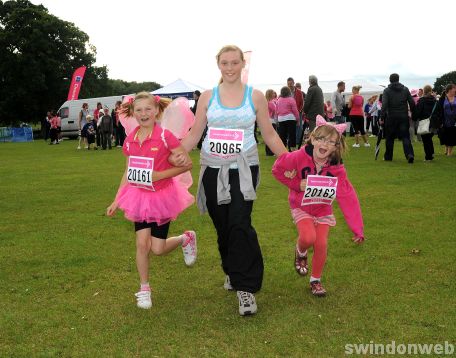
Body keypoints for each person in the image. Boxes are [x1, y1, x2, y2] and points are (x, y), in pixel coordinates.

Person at [169, 45, 288, 316]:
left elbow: (269, 134)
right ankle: (231, 270)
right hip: (212, 168)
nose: (230, 67)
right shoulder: (208, 97)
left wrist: (289, 159)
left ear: (242, 64)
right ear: (218, 65)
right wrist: (170, 154)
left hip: (244, 169)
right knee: (223, 226)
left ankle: (246, 288)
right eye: (225, 63)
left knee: (239, 223)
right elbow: (194, 133)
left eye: (235, 62)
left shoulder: (255, 97)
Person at [106, 92, 197, 310]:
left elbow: (186, 165)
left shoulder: (166, 136)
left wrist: (159, 175)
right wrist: (117, 199)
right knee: (141, 244)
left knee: (157, 249)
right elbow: (129, 171)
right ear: (133, 113)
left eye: (148, 109)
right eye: (139, 110)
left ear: (156, 111)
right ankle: (144, 288)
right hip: (138, 197)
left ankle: (186, 238)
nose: (143, 114)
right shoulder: (130, 140)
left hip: (162, 198)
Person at [272, 115, 365, 296]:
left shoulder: (337, 168)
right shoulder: (298, 156)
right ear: (313, 139)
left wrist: (357, 228)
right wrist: (296, 184)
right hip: (301, 206)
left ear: (336, 147)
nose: (325, 144)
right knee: (308, 238)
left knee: (321, 243)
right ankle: (300, 252)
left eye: (331, 142)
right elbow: (277, 169)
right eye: (321, 139)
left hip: (323, 209)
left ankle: (316, 280)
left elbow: (347, 196)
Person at [381, 73, 416, 163]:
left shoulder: (387, 91)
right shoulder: (405, 89)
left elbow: (384, 105)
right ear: (398, 79)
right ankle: (409, 154)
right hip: (403, 116)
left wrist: (382, 117)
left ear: (390, 80)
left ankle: (388, 156)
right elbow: (411, 102)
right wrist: (413, 112)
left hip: (391, 117)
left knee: (389, 138)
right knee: (405, 137)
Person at [415, 85, 439, 161]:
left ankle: (428, 157)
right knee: (429, 138)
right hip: (433, 122)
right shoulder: (435, 100)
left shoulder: (422, 100)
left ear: (424, 91)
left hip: (424, 121)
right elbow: (438, 111)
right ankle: (431, 153)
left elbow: (418, 111)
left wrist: (415, 117)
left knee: (425, 140)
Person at [435, 83, 456, 156]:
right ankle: (446, 148)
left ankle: (449, 152)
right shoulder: (442, 98)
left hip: (454, 121)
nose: (455, 90)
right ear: (450, 90)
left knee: (452, 136)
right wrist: (439, 120)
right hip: (445, 120)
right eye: (454, 88)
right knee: (445, 135)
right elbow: (438, 109)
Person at [277, 86, 300, 151]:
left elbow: (277, 110)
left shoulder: (279, 100)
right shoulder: (291, 99)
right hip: (290, 118)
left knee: (282, 135)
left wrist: (277, 120)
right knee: (292, 134)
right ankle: (292, 148)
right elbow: (295, 110)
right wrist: (297, 119)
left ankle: (283, 148)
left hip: (281, 119)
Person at [287, 78, 304, 146]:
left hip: (297, 112)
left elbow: (302, 102)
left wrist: (299, 111)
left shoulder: (299, 92)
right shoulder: (286, 92)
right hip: (289, 113)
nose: (289, 85)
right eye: (288, 84)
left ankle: (298, 141)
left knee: (298, 126)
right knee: (290, 127)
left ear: (293, 83)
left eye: (290, 84)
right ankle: (290, 140)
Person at [265, 89, 278, 156]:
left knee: (268, 137)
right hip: (272, 121)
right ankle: (270, 152)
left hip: (267, 120)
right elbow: (275, 112)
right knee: (272, 137)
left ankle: (268, 152)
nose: (274, 94)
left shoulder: (265, 102)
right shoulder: (271, 103)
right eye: (273, 93)